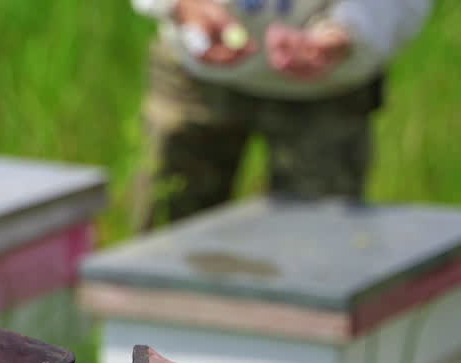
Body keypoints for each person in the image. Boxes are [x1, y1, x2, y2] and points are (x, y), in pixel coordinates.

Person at [130, 0, 433, 231]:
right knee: (165, 238)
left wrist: (348, 30)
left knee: (317, 253)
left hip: (328, 89)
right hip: (193, 76)